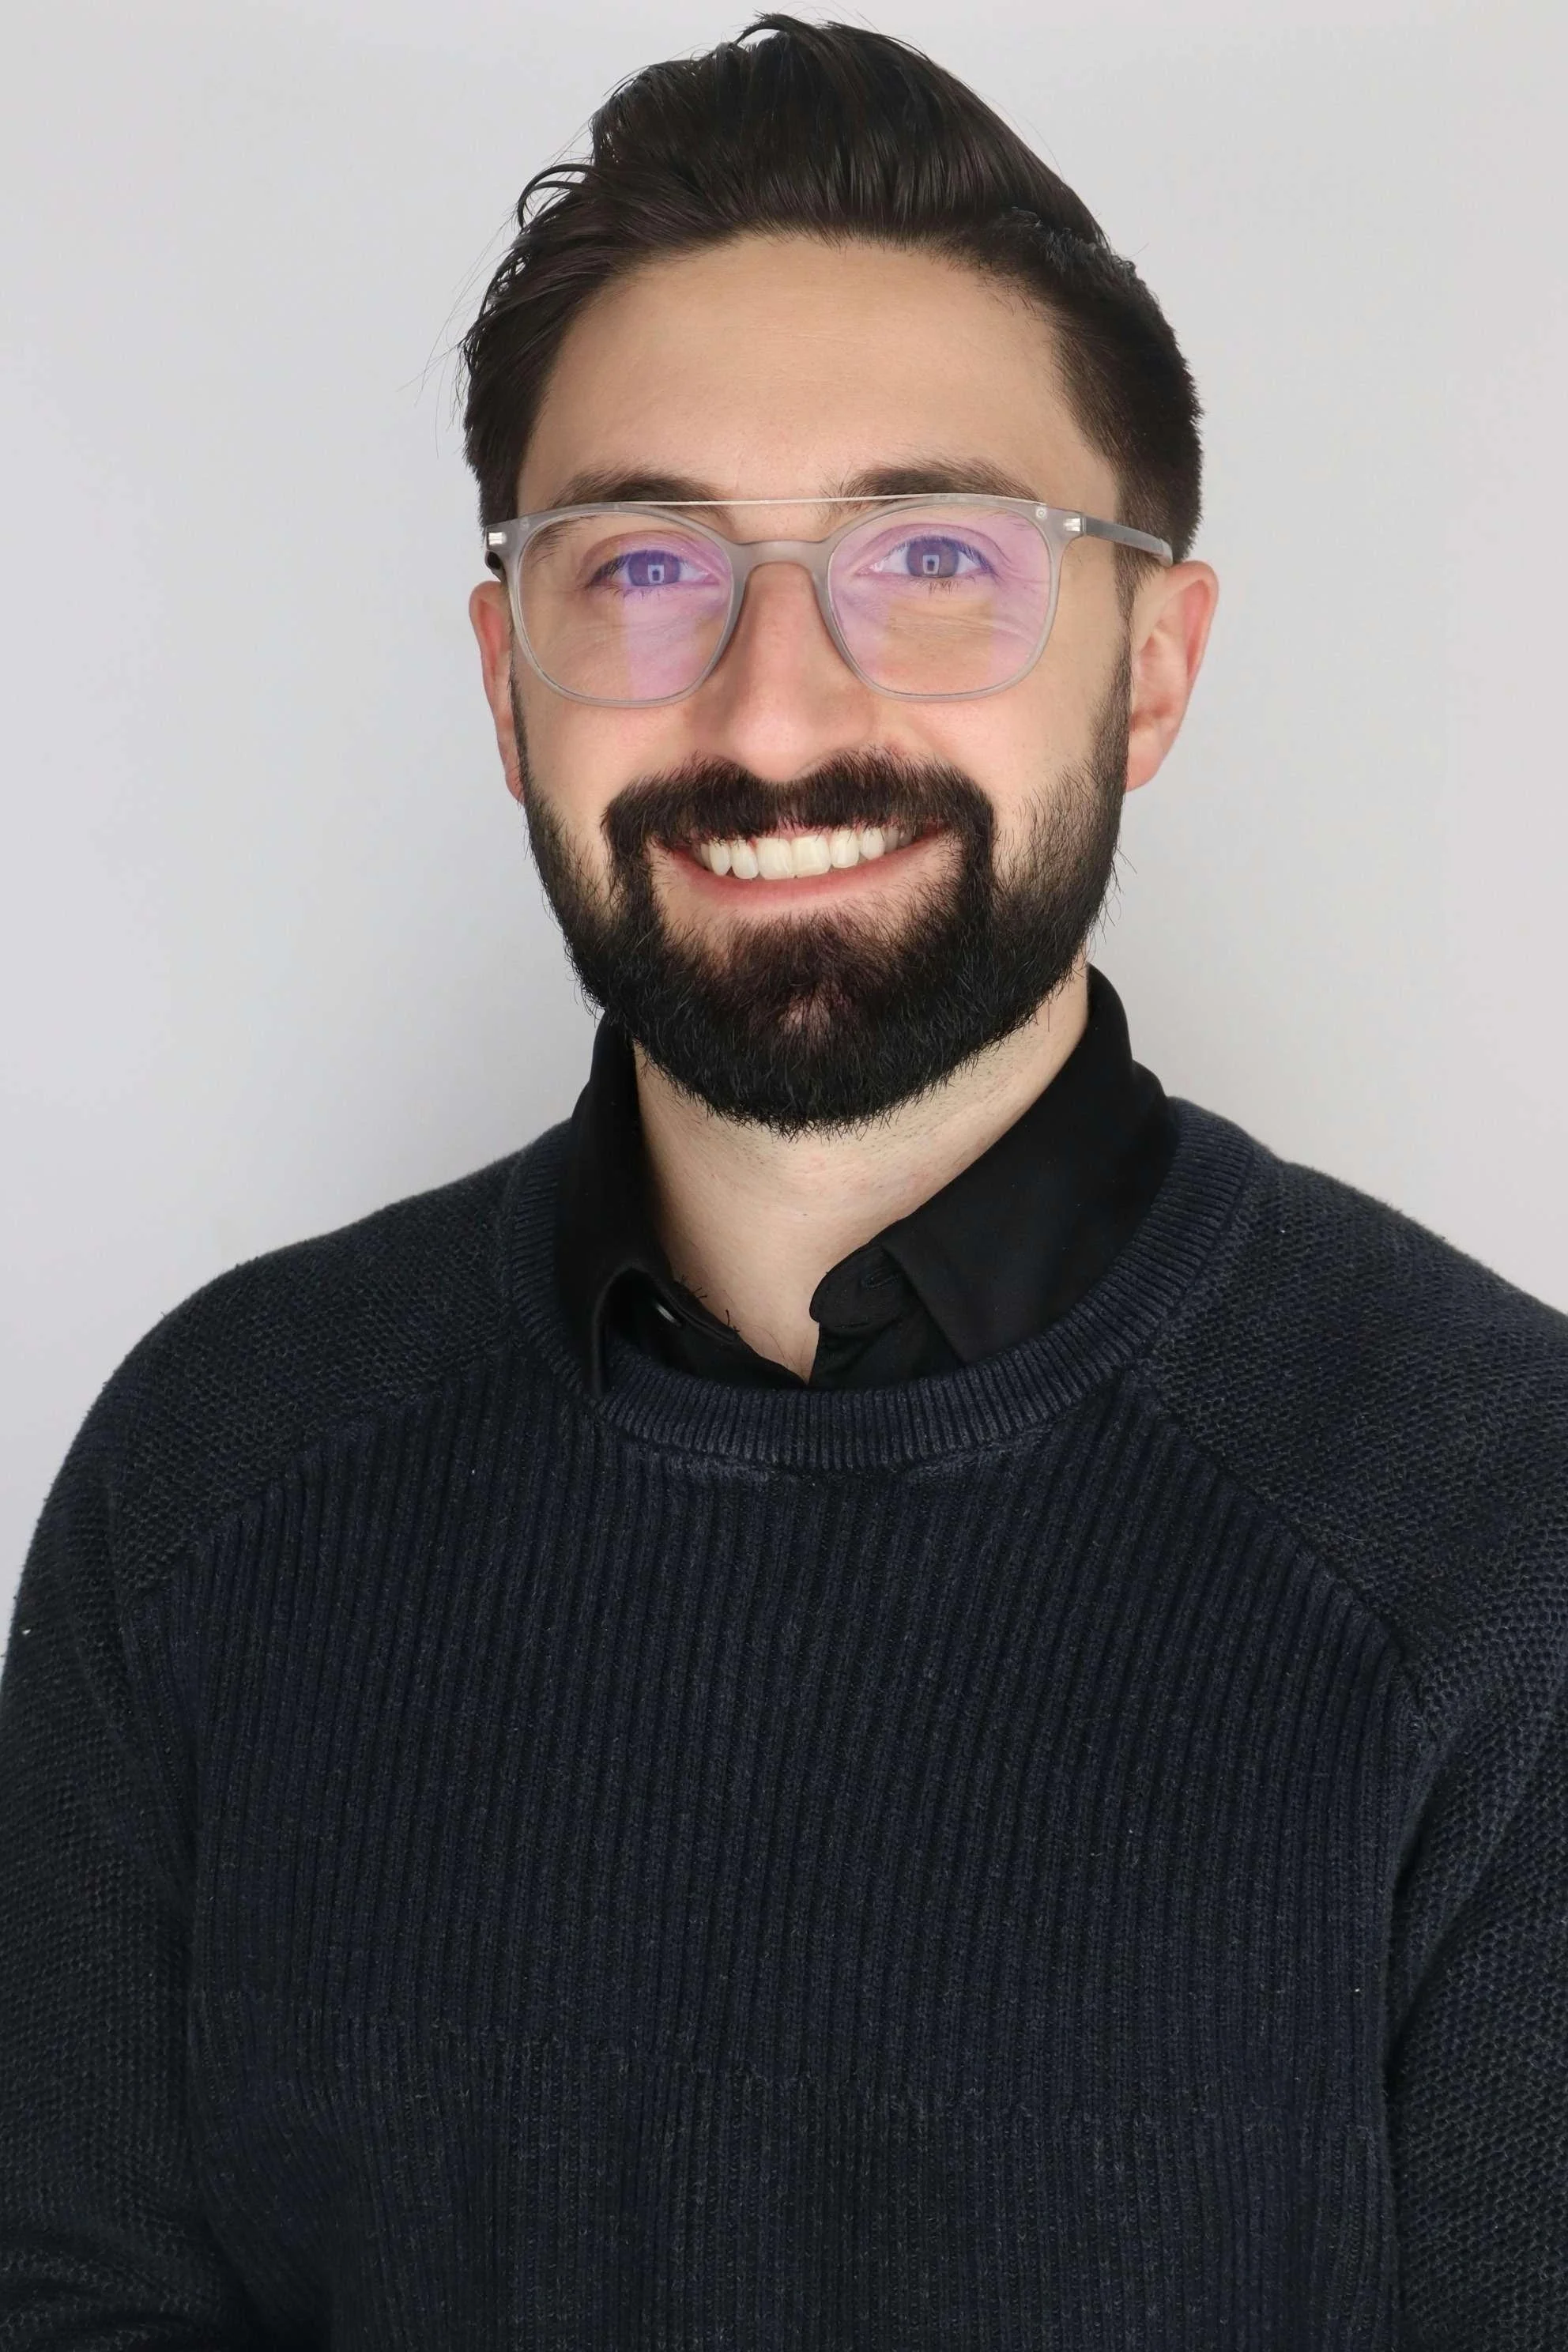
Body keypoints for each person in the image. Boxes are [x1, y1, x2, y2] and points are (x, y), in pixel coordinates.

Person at [2, 14, 1563, 2348]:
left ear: (1151, 671)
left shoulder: (1499, 1527)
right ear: (509, 683)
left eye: (937, 556)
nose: (769, 713)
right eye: (644, 569)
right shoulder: (214, 1471)